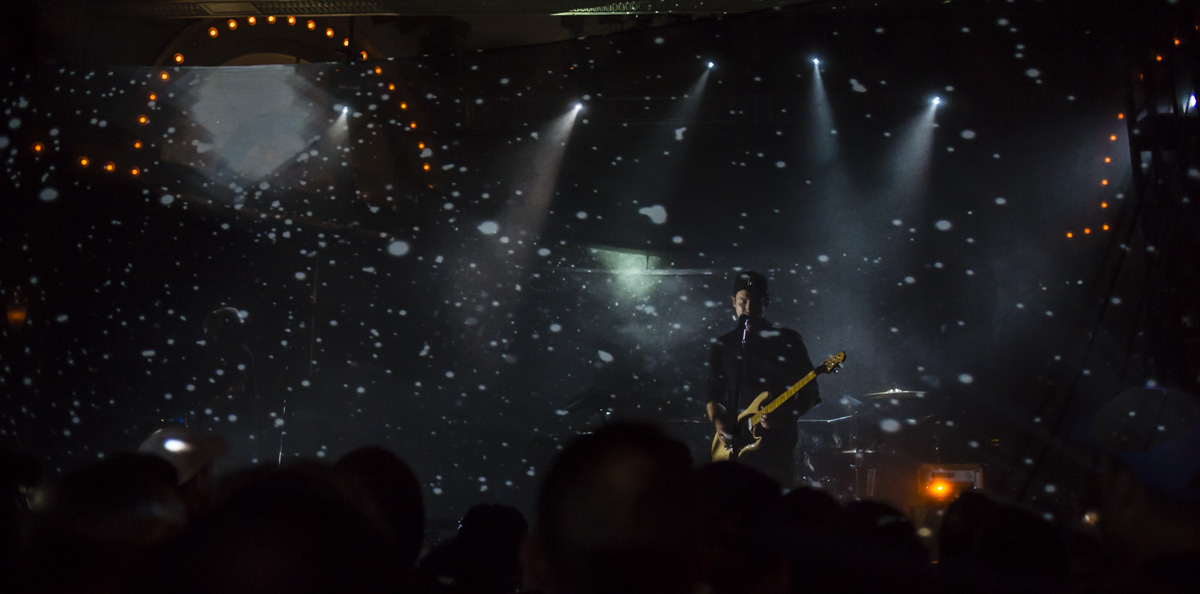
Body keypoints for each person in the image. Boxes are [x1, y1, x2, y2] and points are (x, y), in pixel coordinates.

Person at [706, 270, 820, 486]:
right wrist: (719, 423)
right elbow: (713, 394)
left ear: (766, 302)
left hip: (776, 448)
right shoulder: (723, 345)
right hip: (734, 447)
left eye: (756, 301)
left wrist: (788, 415)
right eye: (743, 301)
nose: (748, 308)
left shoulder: (787, 340)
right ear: (733, 301)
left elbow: (811, 391)